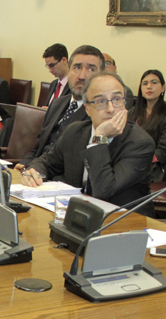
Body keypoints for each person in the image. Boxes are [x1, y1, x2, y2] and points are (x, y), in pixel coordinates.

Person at [21, 72, 154, 216]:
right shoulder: (76, 131)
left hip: (124, 222)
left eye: (117, 99)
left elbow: (103, 189)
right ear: (87, 109)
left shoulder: (140, 143)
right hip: (80, 215)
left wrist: (99, 139)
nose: (111, 109)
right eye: (101, 101)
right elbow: (46, 162)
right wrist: (34, 172)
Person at [16, 45, 105, 171]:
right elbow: (39, 145)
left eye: (91, 69)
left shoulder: (100, 113)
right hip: (35, 172)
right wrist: (24, 164)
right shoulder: (57, 103)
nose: (82, 76)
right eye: (77, 67)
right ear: (69, 70)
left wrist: (37, 170)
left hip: (61, 180)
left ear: (101, 75)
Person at [128, 69, 166, 182]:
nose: (149, 86)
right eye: (145, 83)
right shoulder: (133, 112)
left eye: (154, 82)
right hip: (130, 164)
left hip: (155, 168)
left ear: (163, 88)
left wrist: (138, 159)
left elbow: (163, 151)